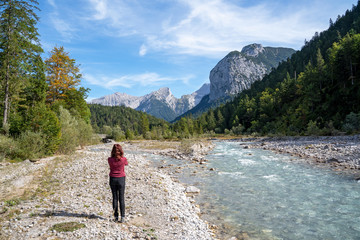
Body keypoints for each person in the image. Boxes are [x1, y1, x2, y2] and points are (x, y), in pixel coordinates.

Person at [108, 144, 128, 223]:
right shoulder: (123, 159)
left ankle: (116, 217)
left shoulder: (109, 159)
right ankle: (122, 217)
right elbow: (126, 164)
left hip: (112, 178)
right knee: (121, 198)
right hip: (121, 179)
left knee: (115, 198)